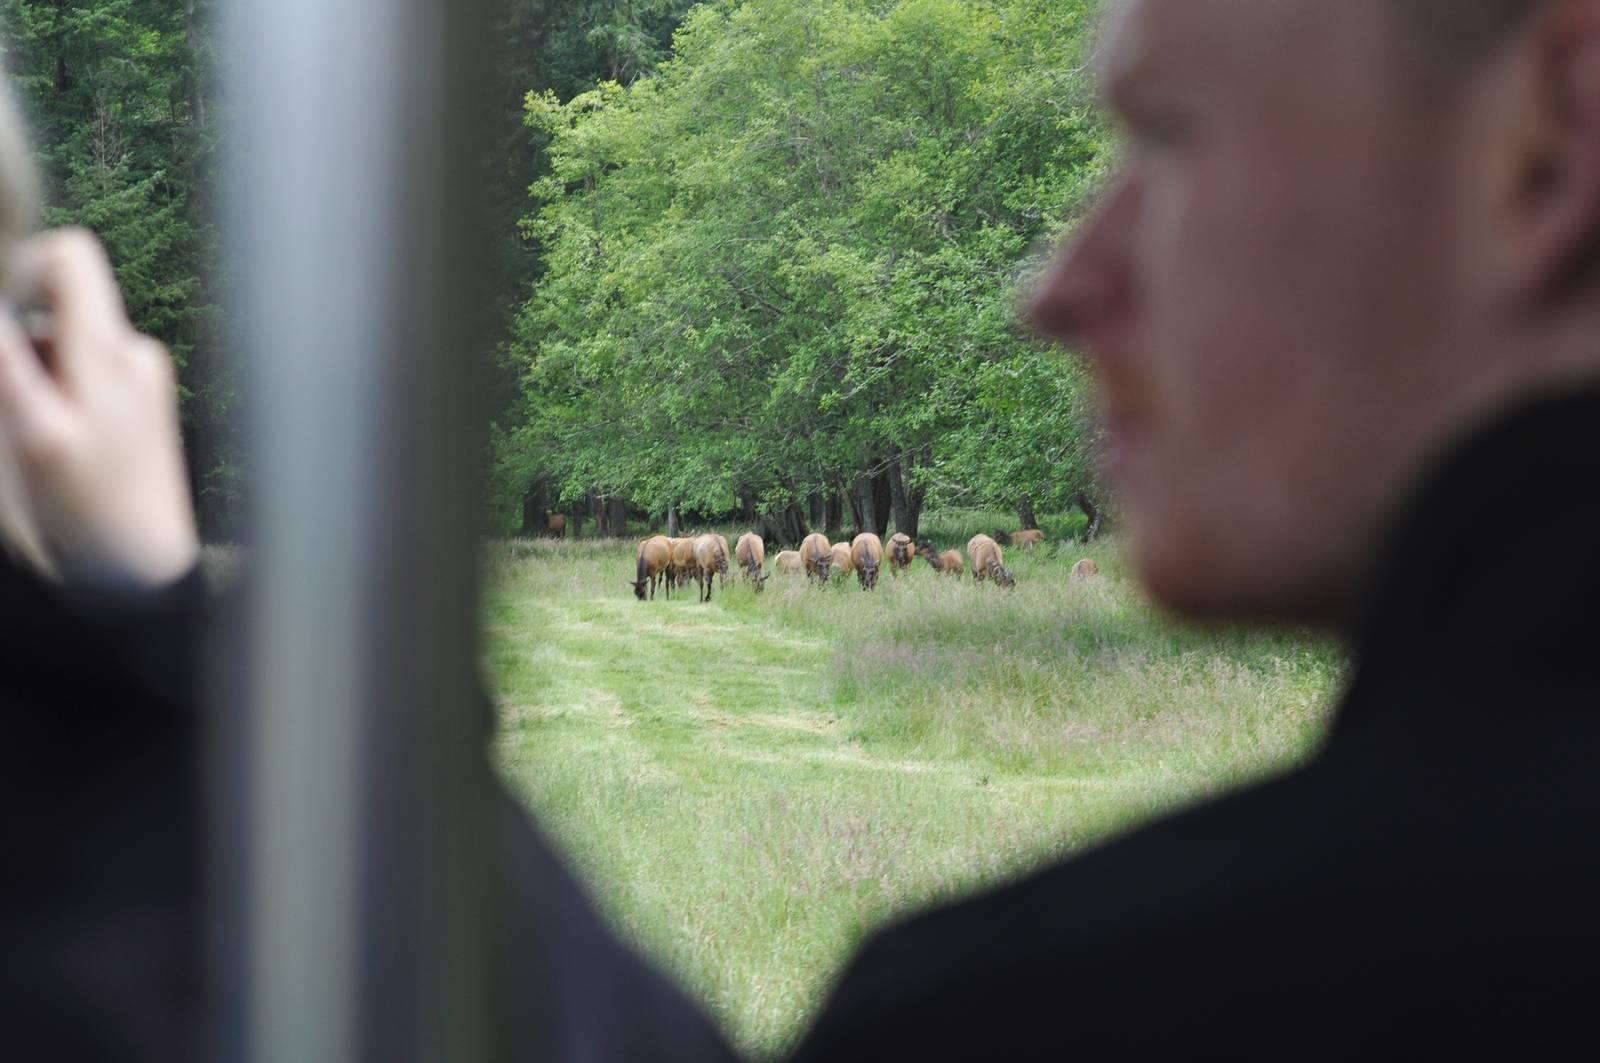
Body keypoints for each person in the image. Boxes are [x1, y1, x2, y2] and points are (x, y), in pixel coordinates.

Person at [10, 0, 1600, 1057]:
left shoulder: (1129, 1006)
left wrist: (164, 650)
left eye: (1169, 135)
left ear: (1559, 131)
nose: (1055, 289)